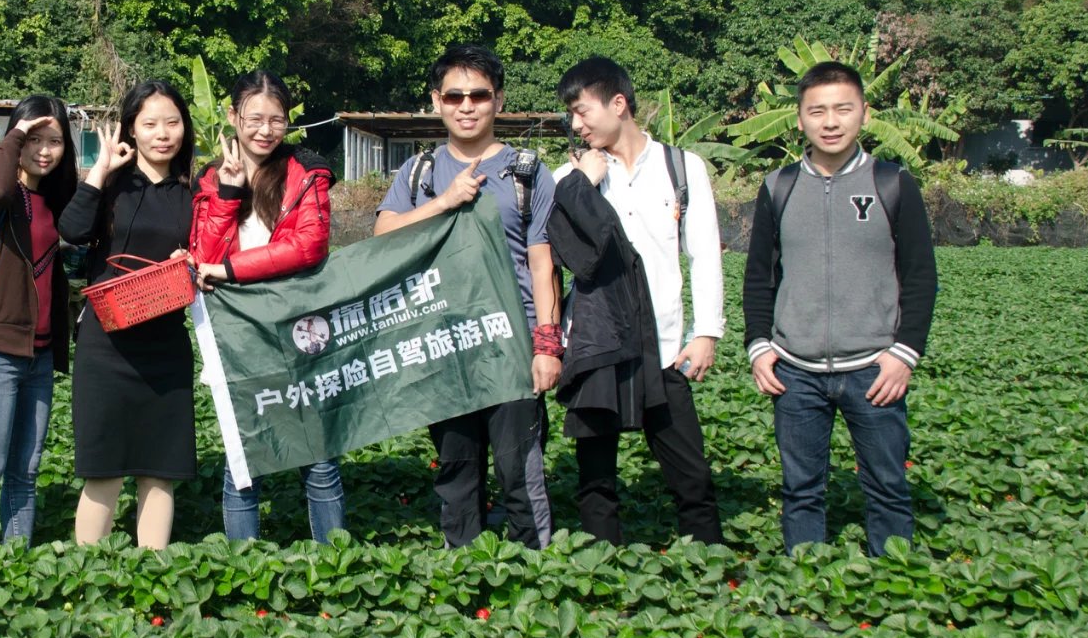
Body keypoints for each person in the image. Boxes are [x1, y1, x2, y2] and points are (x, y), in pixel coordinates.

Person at [742, 61, 937, 557]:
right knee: (800, 490)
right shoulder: (778, 188)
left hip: (874, 369)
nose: (831, 122)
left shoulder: (893, 183)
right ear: (800, 119)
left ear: (864, 115)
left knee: (888, 486)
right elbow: (760, 277)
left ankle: (895, 588)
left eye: (842, 109)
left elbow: (920, 276)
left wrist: (904, 352)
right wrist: (759, 347)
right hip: (796, 371)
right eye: (818, 111)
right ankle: (807, 588)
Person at [375, 44, 559, 549]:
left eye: (479, 94)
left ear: (497, 100)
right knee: (457, 472)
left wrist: (547, 345)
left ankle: (533, 576)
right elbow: (384, 235)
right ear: (437, 101)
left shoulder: (526, 171)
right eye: (454, 95)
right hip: (442, 343)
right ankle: (466, 578)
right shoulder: (420, 172)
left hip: (511, 342)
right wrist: (445, 201)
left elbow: (542, 262)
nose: (467, 105)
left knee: (520, 468)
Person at [552, 57, 726, 546]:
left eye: (582, 111)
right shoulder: (568, 173)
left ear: (619, 104)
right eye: (572, 115)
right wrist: (581, 181)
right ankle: (602, 572)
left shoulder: (681, 167)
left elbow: (705, 253)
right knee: (595, 480)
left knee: (690, 474)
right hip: (596, 346)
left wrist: (707, 331)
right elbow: (561, 253)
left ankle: (709, 566)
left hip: (666, 346)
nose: (576, 124)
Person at [190, 70, 346, 543]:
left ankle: (335, 563)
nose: (265, 129)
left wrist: (234, 271)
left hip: (298, 327)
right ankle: (244, 566)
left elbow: (309, 245)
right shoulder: (210, 178)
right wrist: (230, 194)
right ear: (233, 117)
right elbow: (204, 257)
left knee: (319, 458)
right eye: (254, 118)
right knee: (244, 463)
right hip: (239, 335)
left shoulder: (307, 171)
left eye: (276, 120)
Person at [59, 80, 196, 551]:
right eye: (150, 124)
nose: (163, 134)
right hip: (106, 346)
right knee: (103, 470)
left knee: (160, 473)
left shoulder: (194, 191)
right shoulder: (112, 185)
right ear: (130, 130)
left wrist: (191, 259)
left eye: (172, 122)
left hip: (165, 347)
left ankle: (150, 578)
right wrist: (99, 170)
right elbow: (73, 231)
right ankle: (87, 578)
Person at [0, 95, 77, 553]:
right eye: (34, 139)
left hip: (38, 354)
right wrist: (15, 136)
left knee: (25, 472)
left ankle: (15, 567)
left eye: (55, 141)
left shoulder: (52, 201)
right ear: (15, 138)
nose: (44, 150)